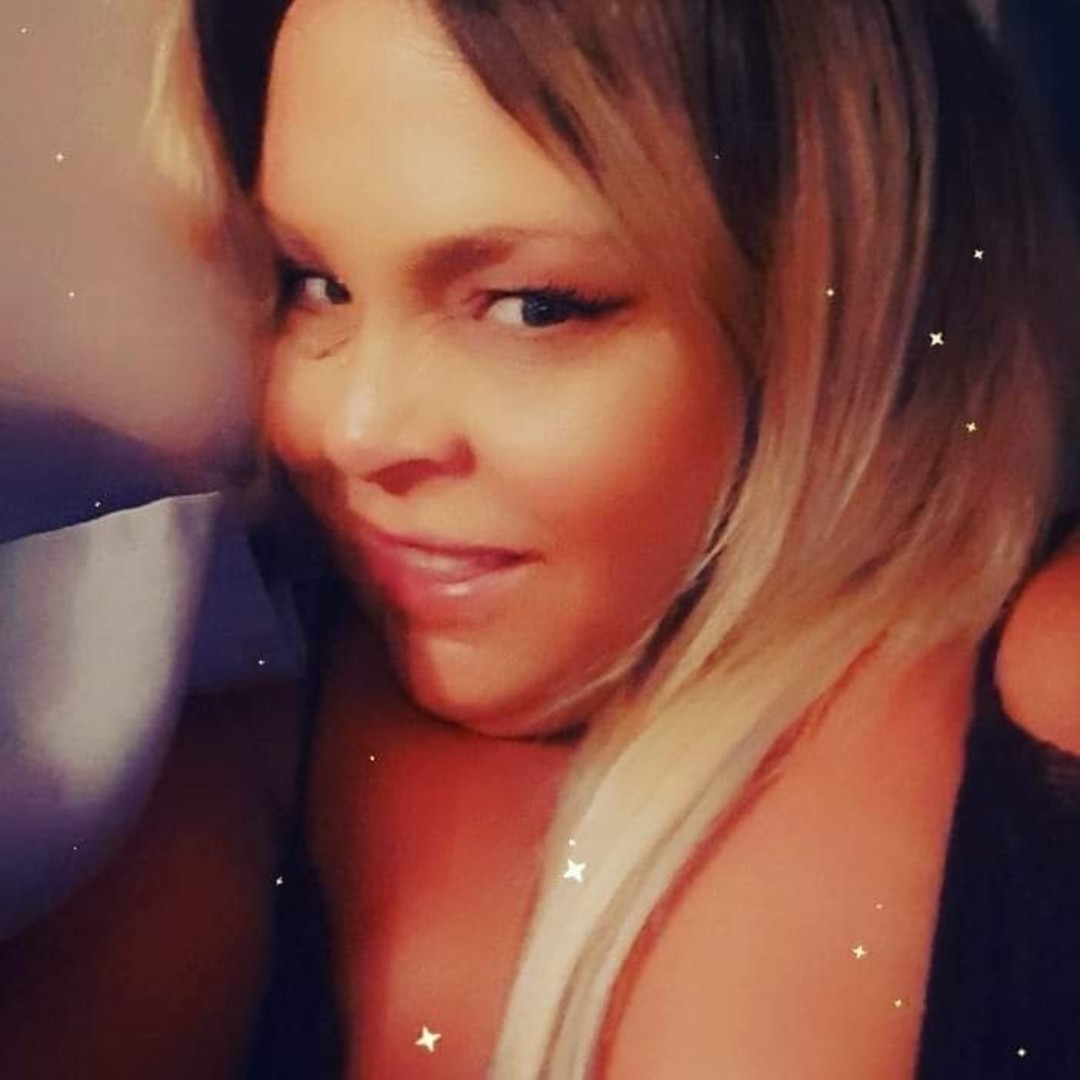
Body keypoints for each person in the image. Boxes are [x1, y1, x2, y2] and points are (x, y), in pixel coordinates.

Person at [3, 0, 1079, 1076]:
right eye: (317, 286)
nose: (354, 432)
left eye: (531, 306)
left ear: (848, 306)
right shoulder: (221, 754)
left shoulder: (1044, 681)